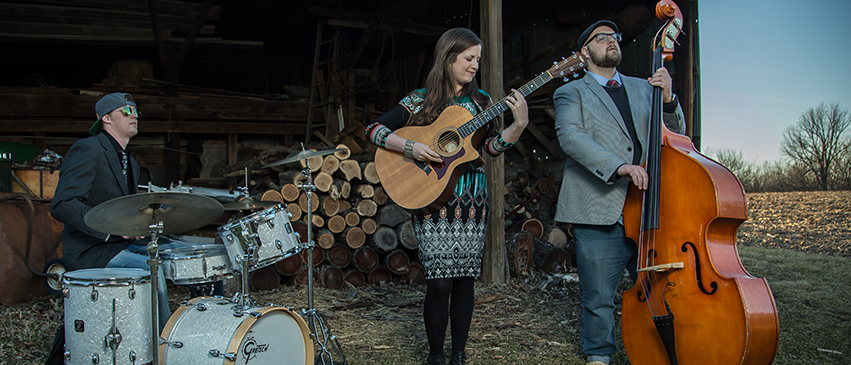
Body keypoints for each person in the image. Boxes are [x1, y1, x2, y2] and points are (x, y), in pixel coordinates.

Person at [365, 28, 528, 365]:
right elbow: (375, 130)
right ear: (448, 57)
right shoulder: (420, 100)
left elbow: (490, 149)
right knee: (440, 283)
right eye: (469, 58)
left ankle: (458, 356)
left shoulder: (482, 101)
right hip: (434, 199)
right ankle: (435, 357)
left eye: (478, 59)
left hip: (471, 201)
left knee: (465, 280)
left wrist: (518, 126)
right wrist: (413, 147)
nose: (474, 65)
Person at [552, 20, 686, 365]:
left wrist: (669, 100)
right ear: (585, 52)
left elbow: (677, 136)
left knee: (661, 287)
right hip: (598, 207)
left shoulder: (646, 87)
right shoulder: (571, 92)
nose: (611, 41)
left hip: (648, 207)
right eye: (602, 37)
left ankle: (669, 349)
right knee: (598, 294)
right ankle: (599, 356)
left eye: (615, 36)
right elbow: (571, 137)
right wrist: (618, 166)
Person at [50, 92, 173, 328]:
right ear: (106, 118)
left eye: (136, 111)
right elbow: (63, 204)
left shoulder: (130, 161)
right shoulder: (88, 149)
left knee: (179, 254)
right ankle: (163, 344)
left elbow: (122, 209)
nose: (134, 116)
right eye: (126, 111)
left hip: (119, 244)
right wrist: (113, 229)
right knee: (152, 268)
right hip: (92, 250)